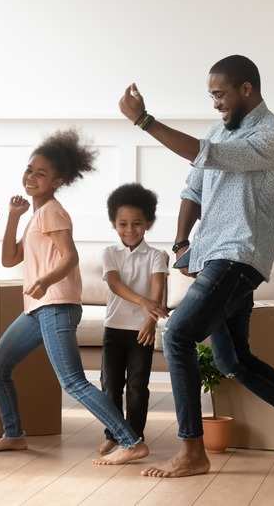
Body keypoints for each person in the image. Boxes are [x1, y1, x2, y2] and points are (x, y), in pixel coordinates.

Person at [117, 55, 274, 478]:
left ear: (247, 90)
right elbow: (193, 188)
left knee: (179, 335)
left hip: (239, 255)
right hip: (213, 254)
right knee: (233, 359)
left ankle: (192, 451)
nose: (215, 103)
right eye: (211, 95)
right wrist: (184, 243)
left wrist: (144, 120)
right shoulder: (219, 129)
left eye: (220, 94)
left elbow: (206, 155)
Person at [0, 130, 149, 466]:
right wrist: (14, 216)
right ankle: (14, 433)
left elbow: (70, 257)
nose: (31, 177)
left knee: (72, 382)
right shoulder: (37, 214)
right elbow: (9, 259)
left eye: (40, 173)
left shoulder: (52, 212)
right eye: (29, 169)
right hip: (38, 308)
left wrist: (45, 280)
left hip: (55, 305)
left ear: (57, 180)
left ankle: (131, 441)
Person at [98, 183, 169, 456]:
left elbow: (158, 289)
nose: (129, 230)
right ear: (114, 223)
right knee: (110, 385)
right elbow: (115, 284)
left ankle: (134, 437)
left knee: (138, 387)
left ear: (148, 223)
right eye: (123, 224)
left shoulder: (156, 256)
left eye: (136, 224)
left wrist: (150, 322)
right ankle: (113, 435)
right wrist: (144, 303)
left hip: (142, 330)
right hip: (114, 328)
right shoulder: (110, 253)